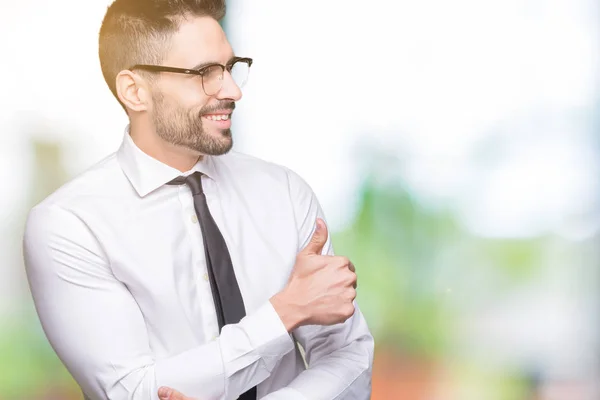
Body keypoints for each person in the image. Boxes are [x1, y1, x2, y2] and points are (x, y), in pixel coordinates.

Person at [22, 0, 374, 399]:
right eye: (204, 73)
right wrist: (286, 312)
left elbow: (348, 355)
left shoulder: (285, 193)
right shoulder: (70, 224)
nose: (233, 90)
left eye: (230, 66)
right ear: (135, 91)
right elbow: (130, 391)